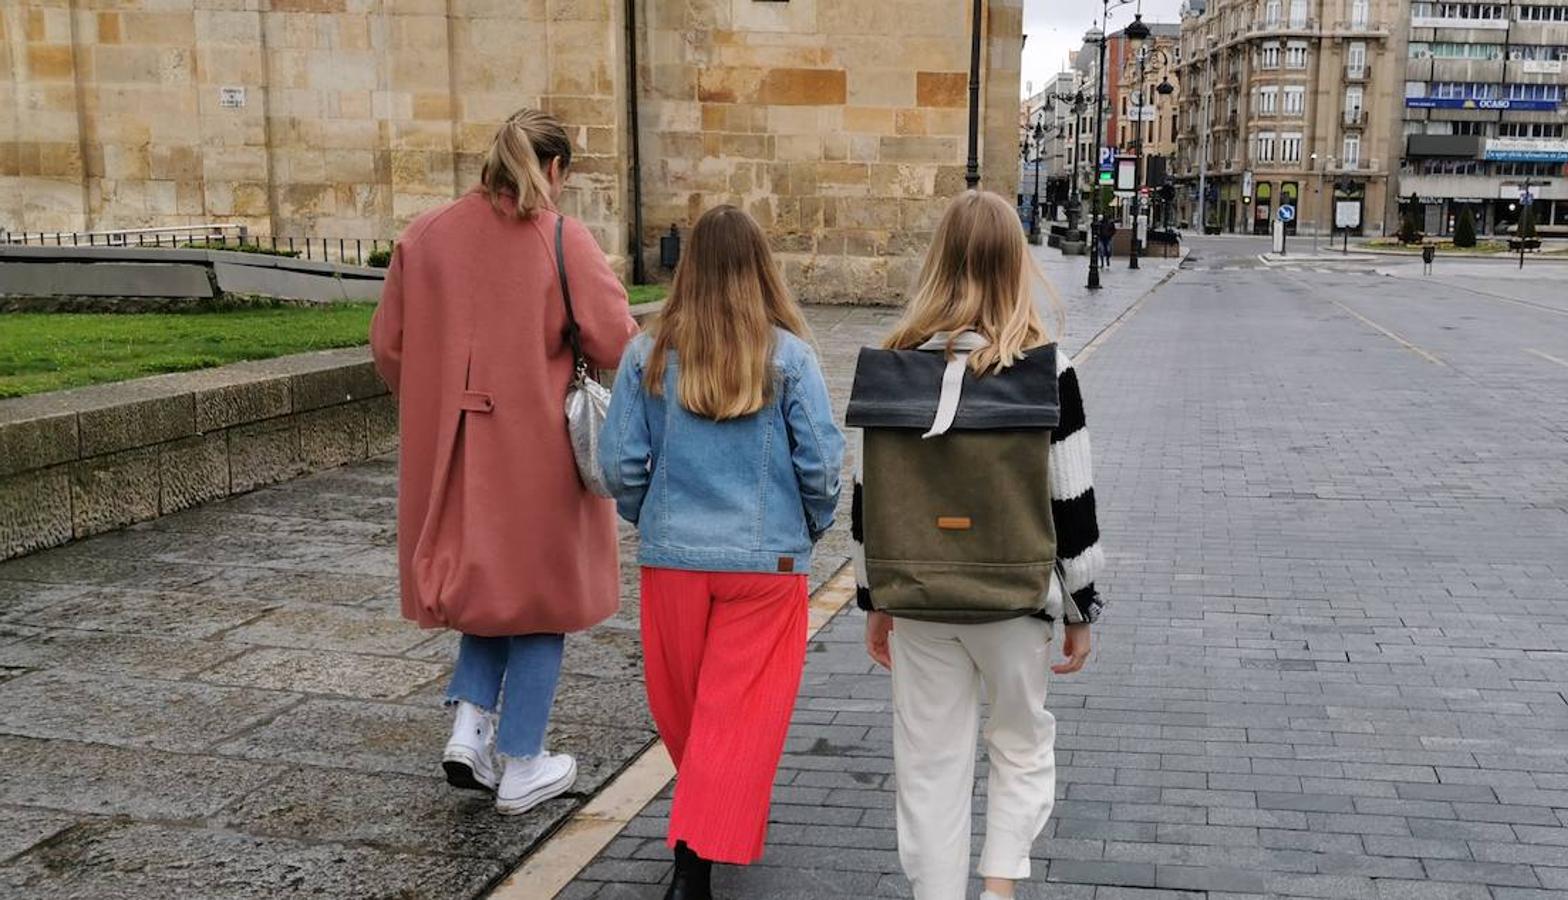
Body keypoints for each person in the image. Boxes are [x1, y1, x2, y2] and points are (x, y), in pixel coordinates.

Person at [371, 109, 638, 815]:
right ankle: (521, 761)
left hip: (451, 449)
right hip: (536, 449)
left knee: (486, 586)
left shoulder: (424, 235)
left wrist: (439, 402)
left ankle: (469, 729)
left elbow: (390, 347)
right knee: (542, 598)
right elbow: (616, 341)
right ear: (554, 170)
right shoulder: (559, 238)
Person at [851, 191, 1106, 900]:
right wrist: (1081, 607)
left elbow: (871, 495)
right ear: (1014, 265)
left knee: (930, 764)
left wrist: (875, 599)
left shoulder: (893, 364)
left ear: (939, 262)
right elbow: (1073, 503)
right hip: (1015, 597)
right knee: (1021, 745)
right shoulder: (1046, 372)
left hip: (923, 597)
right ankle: (998, 890)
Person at [597, 205, 846, 900]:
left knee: (687, 712)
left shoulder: (647, 354)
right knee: (737, 714)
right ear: (761, 269)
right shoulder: (789, 356)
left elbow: (618, 464)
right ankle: (696, 850)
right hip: (766, 566)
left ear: (689, 269)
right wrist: (809, 528)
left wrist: (650, 519)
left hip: (675, 562)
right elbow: (822, 465)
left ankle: (695, 849)